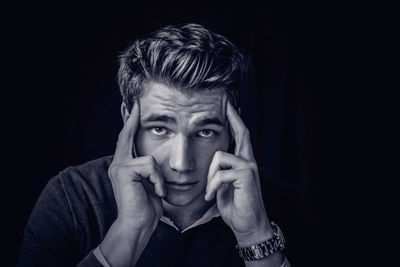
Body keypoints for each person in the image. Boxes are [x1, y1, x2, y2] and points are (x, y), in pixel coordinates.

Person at [18, 23, 292, 266]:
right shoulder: (73, 197)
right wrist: (129, 232)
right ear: (128, 119)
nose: (181, 164)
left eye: (205, 132)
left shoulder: (281, 205)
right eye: (160, 129)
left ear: (234, 127)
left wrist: (255, 235)